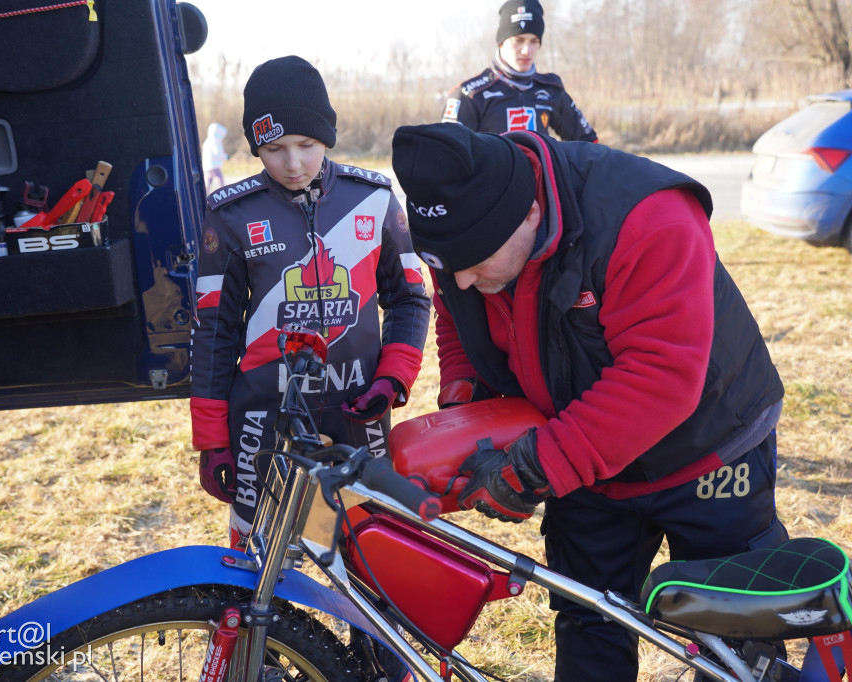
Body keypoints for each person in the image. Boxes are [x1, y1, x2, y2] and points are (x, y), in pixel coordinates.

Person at [391, 123, 788, 681]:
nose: (459, 279)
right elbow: (456, 321)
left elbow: (661, 379)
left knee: (738, 639)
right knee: (590, 623)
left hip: (710, 448)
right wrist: (467, 405)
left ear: (528, 214)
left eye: (474, 263)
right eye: (444, 264)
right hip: (585, 457)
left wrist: (535, 466)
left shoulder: (647, 217)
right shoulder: (467, 245)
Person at [191, 56, 430, 549]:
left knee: (371, 551)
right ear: (256, 146)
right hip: (262, 415)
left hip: (358, 409)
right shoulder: (230, 215)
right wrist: (213, 440)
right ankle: (272, 631)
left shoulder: (375, 199)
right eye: (275, 149)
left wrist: (393, 378)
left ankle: (368, 630)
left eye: (307, 145)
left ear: (328, 138)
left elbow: (409, 298)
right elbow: (214, 331)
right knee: (258, 560)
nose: (293, 163)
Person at [440, 0, 596, 142]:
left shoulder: (551, 89)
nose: (527, 50)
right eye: (518, 41)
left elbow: (588, 144)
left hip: (540, 174)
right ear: (501, 43)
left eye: (534, 41)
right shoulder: (470, 94)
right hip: (494, 173)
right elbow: (448, 154)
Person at [202, 121, 228, 194]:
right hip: (215, 165)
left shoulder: (207, 141)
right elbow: (218, 153)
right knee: (220, 180)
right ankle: (224, 193)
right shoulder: (216, 142)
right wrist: (226, 157)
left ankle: (205, 193)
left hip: (207, 165)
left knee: (208, 180)